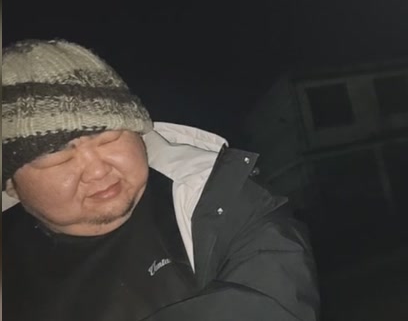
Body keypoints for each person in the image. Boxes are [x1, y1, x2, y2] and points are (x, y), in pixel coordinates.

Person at [1, 39, 320, 321]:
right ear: (11, 183)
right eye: (58, 155)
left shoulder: (221, 200)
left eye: (109, 137)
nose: (97, 170)